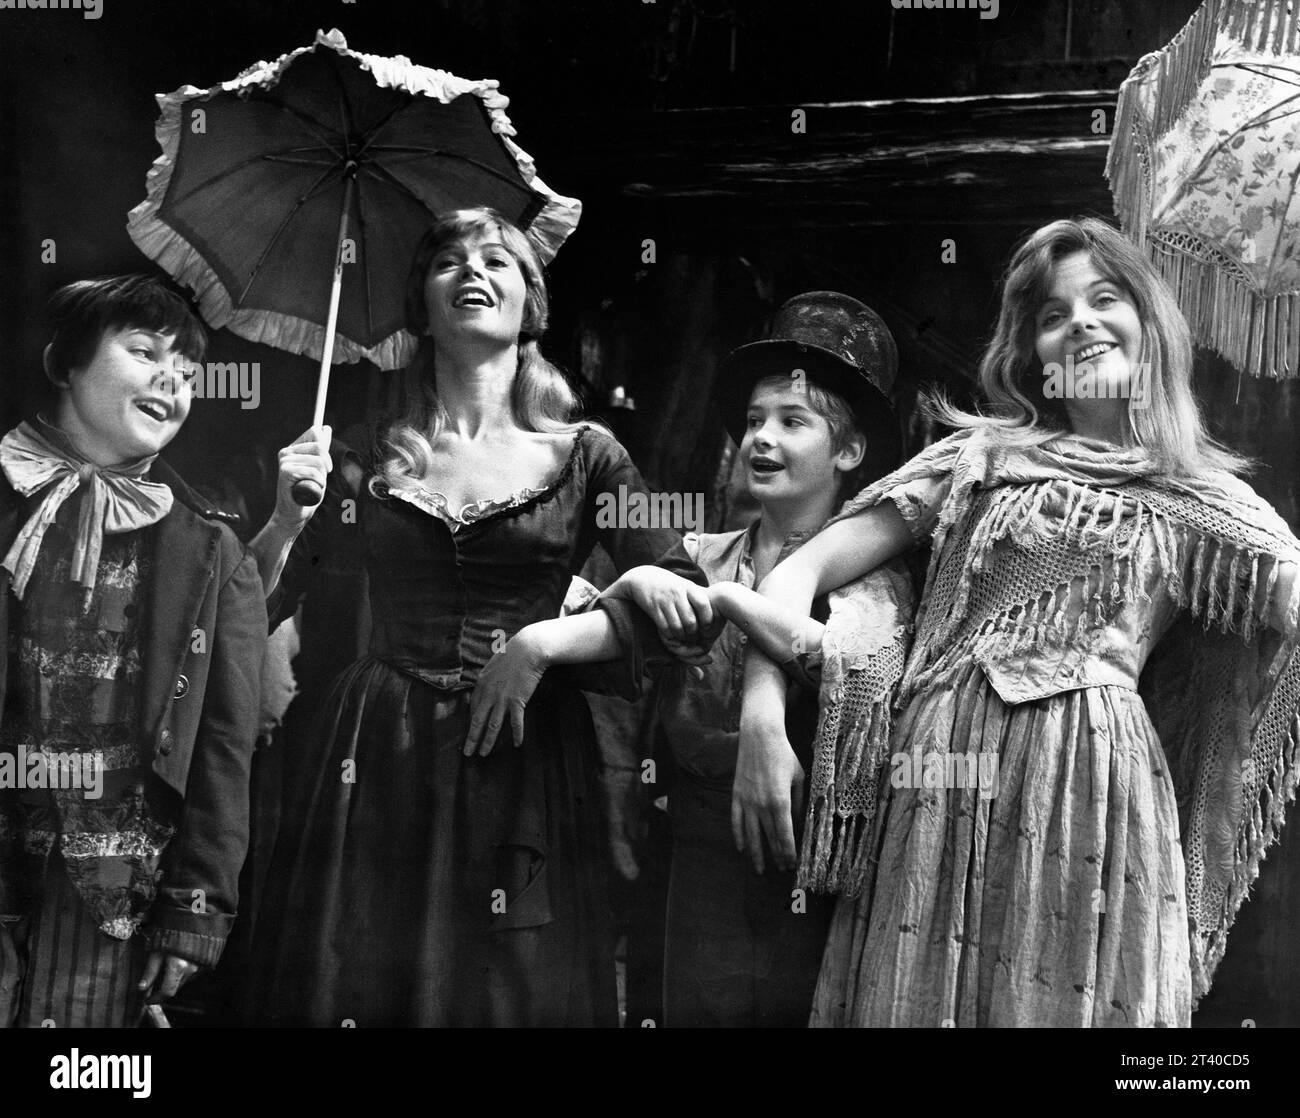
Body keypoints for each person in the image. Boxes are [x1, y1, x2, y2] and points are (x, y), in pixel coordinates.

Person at [736, 218, 1300, 1028]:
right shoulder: (979, 458)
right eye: (1053, 314)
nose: (1081, 324)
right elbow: (801, 569)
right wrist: (762, 715)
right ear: (1033, 351)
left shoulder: (1200, 496)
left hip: (1091, 787)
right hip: (941, 771)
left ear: (1148, 320)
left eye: (1105, 299)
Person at [246, 207, 710, 1027]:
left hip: (524, 760)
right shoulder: (362, 454)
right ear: (421, 308)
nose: (472, 272)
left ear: (531, 304)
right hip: (379, 755)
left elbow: (682, 613)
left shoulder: (588, 455)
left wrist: (540, 644)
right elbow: (251, 611)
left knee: (512, 989)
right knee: (367, 977)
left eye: (497, 260)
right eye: (447, 262)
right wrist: (286, 518)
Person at [472, 292, 915, 1026]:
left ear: (849, 451)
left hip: (809, 864)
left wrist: (739, 620)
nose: (761, 440)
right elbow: (624, 630)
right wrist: (626, 585)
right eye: (753, 421)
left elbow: (836, 660)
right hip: (691, 857)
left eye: (792, 422)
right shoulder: (704, 557)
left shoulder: (877, 581)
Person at [0, 275, 266, 1027]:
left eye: (186, 374)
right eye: (145, 352)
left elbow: (222, 751)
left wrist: (194, 913)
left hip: (114, 891)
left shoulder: (213, 553)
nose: (169, 382)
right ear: (64, 362)